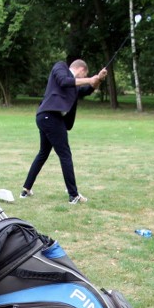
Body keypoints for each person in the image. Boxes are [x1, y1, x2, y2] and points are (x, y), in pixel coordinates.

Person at [21, 59, 107, 204]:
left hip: (47, 118)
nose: (81, 79)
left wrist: (98, 79)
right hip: (50, 116)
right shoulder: (60, 67)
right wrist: (90, 79)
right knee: (65, 154)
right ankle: (73, 195)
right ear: (81, 70)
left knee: (43, 153)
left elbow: (87, 89)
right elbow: (63, 81)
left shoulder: (73, 86)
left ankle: (26, 189)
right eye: (83, 76)